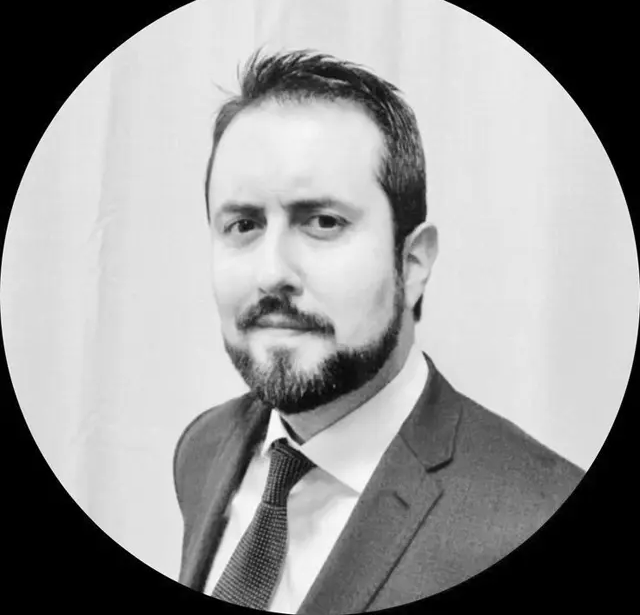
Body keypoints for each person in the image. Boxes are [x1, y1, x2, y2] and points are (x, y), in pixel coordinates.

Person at [173, 49, 583, 613]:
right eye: (243, 224)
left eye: (323, 222)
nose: (271, 272)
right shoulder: (203, 449)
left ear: (412, 263)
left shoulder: (532, 514)